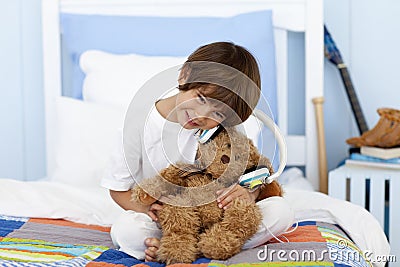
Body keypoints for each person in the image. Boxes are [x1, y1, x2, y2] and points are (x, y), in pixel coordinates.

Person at [101, 41, 294, 262]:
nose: (202, 115)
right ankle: (182, 244)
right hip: (169, 220)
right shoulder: (136, 125)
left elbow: (255, 171)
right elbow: (118, 190)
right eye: (201, 98)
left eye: (218, 113)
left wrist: (248, 192)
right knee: (128, 231)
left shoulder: (221, 132)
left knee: (281, 212)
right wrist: (150, 211)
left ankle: (184, 249)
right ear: (184, 75)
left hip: (215, 219)